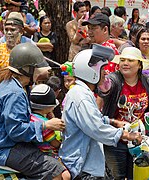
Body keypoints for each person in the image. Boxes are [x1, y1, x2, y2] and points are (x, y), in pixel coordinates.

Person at [59, 44, 142, 179]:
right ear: (90, 71)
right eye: (102, 69)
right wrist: (127, 135)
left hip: (88, 163)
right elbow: (96, 128)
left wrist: (113, 121)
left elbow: (94, 118)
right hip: (81, 166)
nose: (106, 73)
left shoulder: (84, 92)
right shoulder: (81, 96)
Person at [0, 43, 66, 179]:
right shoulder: (15, 93)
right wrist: (46, 125)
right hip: (3, 149)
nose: (41, 71)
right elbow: (16, 130)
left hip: (0, 144)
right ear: (27, 69)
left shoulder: (9, 84)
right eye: (37, 67)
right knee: (56, 170)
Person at [98, 47, 149, 179]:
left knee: (138, 176)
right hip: (116, 139)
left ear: (139, 65)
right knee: (116, 177)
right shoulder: (113, 80)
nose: (125, 63)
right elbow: (104, 90)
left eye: (130, 60)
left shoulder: (148, 82)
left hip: (140, 139)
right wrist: (103, 85)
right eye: (122, 60)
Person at [29, 84, 71, 180]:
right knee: (66, 175)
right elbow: (55, 143)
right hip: (47, 154)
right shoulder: (46, 124)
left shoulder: (31, 117)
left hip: (35, 152)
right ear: (47, 107)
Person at [0, 12, 33, 78]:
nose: (9, 33)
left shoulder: (28, 48)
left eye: (12, 30)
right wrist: (11, 74)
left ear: (21, 32)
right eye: (6, 30)